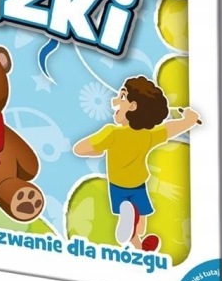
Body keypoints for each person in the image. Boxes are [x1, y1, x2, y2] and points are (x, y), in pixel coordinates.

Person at [73, 76, 201, 251]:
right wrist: (189, 120)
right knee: (141, 225)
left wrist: (97, 150)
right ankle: (137, 240)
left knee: (135, 225)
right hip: (138, 184)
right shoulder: (147, 135)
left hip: (117, 185)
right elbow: (170, 129)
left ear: (133, 106)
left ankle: (133, 234)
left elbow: (79, 149)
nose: (114, 101)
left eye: (122, 97)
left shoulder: (111, 133)